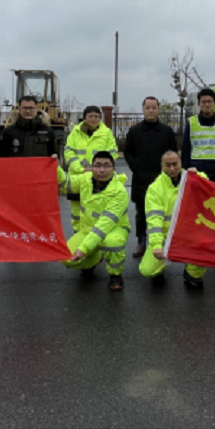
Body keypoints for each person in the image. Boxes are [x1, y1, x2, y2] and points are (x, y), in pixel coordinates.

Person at [138, 151, 207, 288]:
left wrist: (198, 175)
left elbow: (208, 186)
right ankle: (160, 268)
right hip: (166, 238)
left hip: (190, 236)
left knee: (205, 244)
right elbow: (154, 220)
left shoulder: (192, 179)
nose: (172, 168)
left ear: (181, 163)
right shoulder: (155, 189)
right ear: (162, 166)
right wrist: (157, 245)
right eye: (168, 165)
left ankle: (192, 273)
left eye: (175, 164)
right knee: (147, 270)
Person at [63, 151, 130, 291]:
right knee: (66, 258)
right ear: (91, 168)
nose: (102, 170)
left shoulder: (119, 191)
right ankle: (94, 259)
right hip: (88, 230)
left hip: (113, 230)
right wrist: (54, 168)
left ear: (114, 169)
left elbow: (104, 224)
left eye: (106, 166)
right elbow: (66, 183)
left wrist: (83, 249)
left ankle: (115, 275)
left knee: (112, 242)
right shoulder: (85, 178)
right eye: (98, 165)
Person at [124, 96, 178, 258]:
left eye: (154, 107)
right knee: (141, 213)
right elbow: (127, 152)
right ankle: (141, 242)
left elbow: (173, 153)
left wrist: (169, 170)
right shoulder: (134, 131)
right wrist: (135, 167)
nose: (151, 110)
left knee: (163, 213)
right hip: (140, 178)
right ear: (143, 109)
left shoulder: (167, 131)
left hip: (162, 180)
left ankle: (163, 242)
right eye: (148, 107)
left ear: (158, 109)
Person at [64, 106, 118, 234]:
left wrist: (99, 169)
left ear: (100, 118)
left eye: (96, 116)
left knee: (98, 207)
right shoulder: (75, 133)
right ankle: (77, 234)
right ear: (84, 118)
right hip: (78, 177)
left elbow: (113, 153)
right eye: (90, 116)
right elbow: (69, 153)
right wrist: (80, 169)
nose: (93, 119)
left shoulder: (107, 133)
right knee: (77, 211)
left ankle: (96, 236)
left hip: (100, 178)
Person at [181, 88, 215, 186]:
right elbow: (186, 148)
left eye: (209, 101)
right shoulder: (191, 122)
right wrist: (186, 168)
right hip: (196, 170)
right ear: (199, 104)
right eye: (203, 102)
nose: (206, 104)